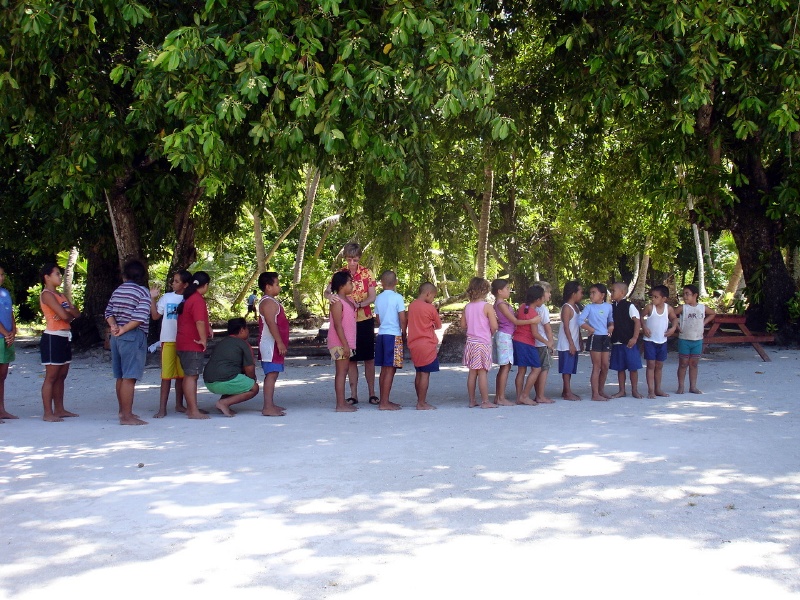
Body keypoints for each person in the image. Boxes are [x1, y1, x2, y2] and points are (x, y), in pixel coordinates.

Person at [324, 243, 378, 405]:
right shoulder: (340, 274)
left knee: (369, 358)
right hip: (346, 322)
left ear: (359, 258)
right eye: (349, 259)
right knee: (351, 359)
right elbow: (328, 291)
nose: (352, 262)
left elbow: (372, 296)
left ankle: (372, 393)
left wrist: (359, 305)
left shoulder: (367, 273)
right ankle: (353, 394)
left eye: (355, 259)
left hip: (364, 319)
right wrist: (329, 297)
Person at [105, 260, 156, 426]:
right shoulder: (143, 292)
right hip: (132, 336)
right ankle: (127, 416)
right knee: (129, 377)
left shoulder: (118, 290)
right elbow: (140, 317)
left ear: (125, 275)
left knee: (120, 376)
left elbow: (108, 312)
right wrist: (124, 329)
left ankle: (123, 412)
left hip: (116, 337)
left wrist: (114, 327)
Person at [39, 263, 81, 422]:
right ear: (47, 277)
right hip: (53, 337)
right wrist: (67, 312)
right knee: (51, 376)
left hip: (64, 336)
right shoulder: (47, 294)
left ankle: (60, 409)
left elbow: (76, 313)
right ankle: (47, 413)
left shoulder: (61, 295)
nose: (60, 276)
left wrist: (68, 312)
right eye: (57, 273)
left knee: (62, 375)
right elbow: (65, 315)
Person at [491, 279, 540, 406]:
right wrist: (532, 320)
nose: (509, 291)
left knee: (504, 367)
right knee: (505, 367)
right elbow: (515, 321)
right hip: (505, 336)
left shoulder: (502, 303)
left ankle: (499, 396)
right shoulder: (501, 304)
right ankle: (501, 398)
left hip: (505, 336)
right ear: (499, 291)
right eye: (507, 289)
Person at [151, 269, 192, 418]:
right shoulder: (167, 297)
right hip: (168, 340)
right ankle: (162, 408)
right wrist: (153, 299)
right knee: (166, 376)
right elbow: (155, 316)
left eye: (176, 281)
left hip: (183, 341)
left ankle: (179, 404)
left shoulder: (190, 299)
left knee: (182, 376)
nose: (173, 283)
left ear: (185, 284)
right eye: (173, 281)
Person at [203, 318, 259, 416]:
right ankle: (224, 403)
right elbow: (249, 368)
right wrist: (252, 380)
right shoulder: (243, 344)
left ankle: (223, 402)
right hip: (224, 381)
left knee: (237, 379)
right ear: (242, 330)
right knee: (254, 388)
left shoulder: (223, 342)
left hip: (209, 382)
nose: (248, 331)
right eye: (247, 329)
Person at [176, 271, 212, 419]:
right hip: (192, 343)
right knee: (192, 376)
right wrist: (203, 339)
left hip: (183, 341)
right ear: (206, 285)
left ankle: (192, 407)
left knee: (189, 375)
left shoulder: (187, 298)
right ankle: (193, 411)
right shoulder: (197, 300)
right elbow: (199, 321)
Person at [461, 277, 499, 408]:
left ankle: (472, 400)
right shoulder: (487, 306)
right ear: (485, 290)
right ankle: (485, 401)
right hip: (483, 343)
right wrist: (490, 332)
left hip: (471, 342)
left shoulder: (467, 306)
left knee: (472, 372)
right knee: (482, 372)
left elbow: (463, 324)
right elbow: (494, 326)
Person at [373, 270, 405, 410]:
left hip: (382, 335)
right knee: (391, 369)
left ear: (381, 283)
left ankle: (383, 400)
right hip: (394, 335)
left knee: (384, 369)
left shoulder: (378, 298)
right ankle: (385, 403)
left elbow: (378, 319)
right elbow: (402, 318)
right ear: (396, 282)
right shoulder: (398, 297)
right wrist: (404, 333)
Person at [675, 284, 716, 394]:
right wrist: (677, 326)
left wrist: (703, 323)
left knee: (694, 364)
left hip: (697, 340)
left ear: (695, 295)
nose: (685, 296)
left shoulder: (702, 308)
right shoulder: (683, 308)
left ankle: (693, 387)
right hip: (684, 339)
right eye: (683, 294)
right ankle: (681, 386)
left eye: (687, 294)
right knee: (683, 363)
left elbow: (712, 313)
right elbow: (671, 314)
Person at [406, 282, 441, 410]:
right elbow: (439, 325)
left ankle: (419, 399)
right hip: (427, 344)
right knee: (425, 374)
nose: (432, 300)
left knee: (419, 372)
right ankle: (421, 402)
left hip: (414, 344)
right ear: (428, 294)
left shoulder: (411, 306)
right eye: (433, 297)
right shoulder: (430, 308)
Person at [258, 271, 289, 416]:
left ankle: (270, 404)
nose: (279, 287)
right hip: (270, 345)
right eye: (276, 284)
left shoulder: (271, 301)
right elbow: (271, 323)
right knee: (271, 374)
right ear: (268, 287)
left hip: (274, 344)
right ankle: (267, 407)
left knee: (274, 374)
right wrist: (279, 342)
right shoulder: (268, 302)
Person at [327, 270, 357, 412]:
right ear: (341, 285)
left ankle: (342, 402)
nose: (352, 285)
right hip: (340, 342)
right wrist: (345, 344)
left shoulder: (348, 300)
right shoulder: (337, 301)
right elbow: (337, 325)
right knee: (341, 372)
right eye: (350, 283)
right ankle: (340, 404)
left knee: (344, 370)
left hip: (347, 342)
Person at [641, 284, 679, 398]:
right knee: (651, 365)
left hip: (662, 341)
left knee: (659, 366)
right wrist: (644, 327)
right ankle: (651, 391)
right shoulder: (649, 307)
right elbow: (641, 317)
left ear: (664, 298)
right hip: (649, 340)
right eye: (652, 296)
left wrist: (673, 328)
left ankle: (658, 389)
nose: (653, 299)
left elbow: (674, 318)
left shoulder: (669, 308)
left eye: (656, 297)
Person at [579, 283, 615, 401]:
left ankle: (601, 390)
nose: (591, 295)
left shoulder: (608, 307)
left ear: (602, 295)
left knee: (605, 366)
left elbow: (610, 319)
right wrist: (591, 329)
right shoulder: (589, 307)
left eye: (594, 293)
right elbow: (580, 320)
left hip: (605, 337)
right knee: (597, 366)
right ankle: (595, 394)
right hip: (595, 337)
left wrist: (611, 326)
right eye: (590, 293)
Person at [609, 282, 643, 399]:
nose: (611, 293)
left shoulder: (630, 306)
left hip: (629, 342)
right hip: (616, 342)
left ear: (622, 293)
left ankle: (635, 390)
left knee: (633, 368)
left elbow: (637, 321)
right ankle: (621, 390)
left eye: (613, 291)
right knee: (620, 368)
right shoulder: (611, 307)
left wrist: (634, 337)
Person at [512, 285, 545, 406]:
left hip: (517, 340)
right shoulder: (533, 313)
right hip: (527, 343)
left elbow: (517, 317)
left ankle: (519, 396)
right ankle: (525, 395)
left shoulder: (522, 307)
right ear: (538, 300)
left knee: (521, 370)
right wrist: (548, 343)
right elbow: (535, 334)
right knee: (537, 369)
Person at [556, 280, 583, 401]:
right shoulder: (567, 308)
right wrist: (571, 344)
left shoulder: (576, 307)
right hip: (566, 344)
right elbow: (566, 327)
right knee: (566, 369)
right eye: (580, 292)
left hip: (573, 342)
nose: (582, 295)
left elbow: (577, 326)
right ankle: (567, 392)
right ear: (573, 293)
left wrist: (580, 340)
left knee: (570, 368)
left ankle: (566, 390)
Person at [532, 281, 555, 404]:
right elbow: (547, 327)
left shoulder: (531, 307)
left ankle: (538, 394)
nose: (550, 295)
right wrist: (550, 342)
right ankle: (540, 395)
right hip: (542, 343)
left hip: (533, 343)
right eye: (548, 292)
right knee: (544, 368)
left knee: (537, 369)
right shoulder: (543, 309)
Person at [0, 265, 18, 422]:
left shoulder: (5, 293)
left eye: (2, 274)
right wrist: (6, 334)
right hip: (1, 337)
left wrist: (13, 330)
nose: (1, 277)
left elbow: (10, 313)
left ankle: (2, 410)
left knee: (3, 375)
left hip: (7, 338)